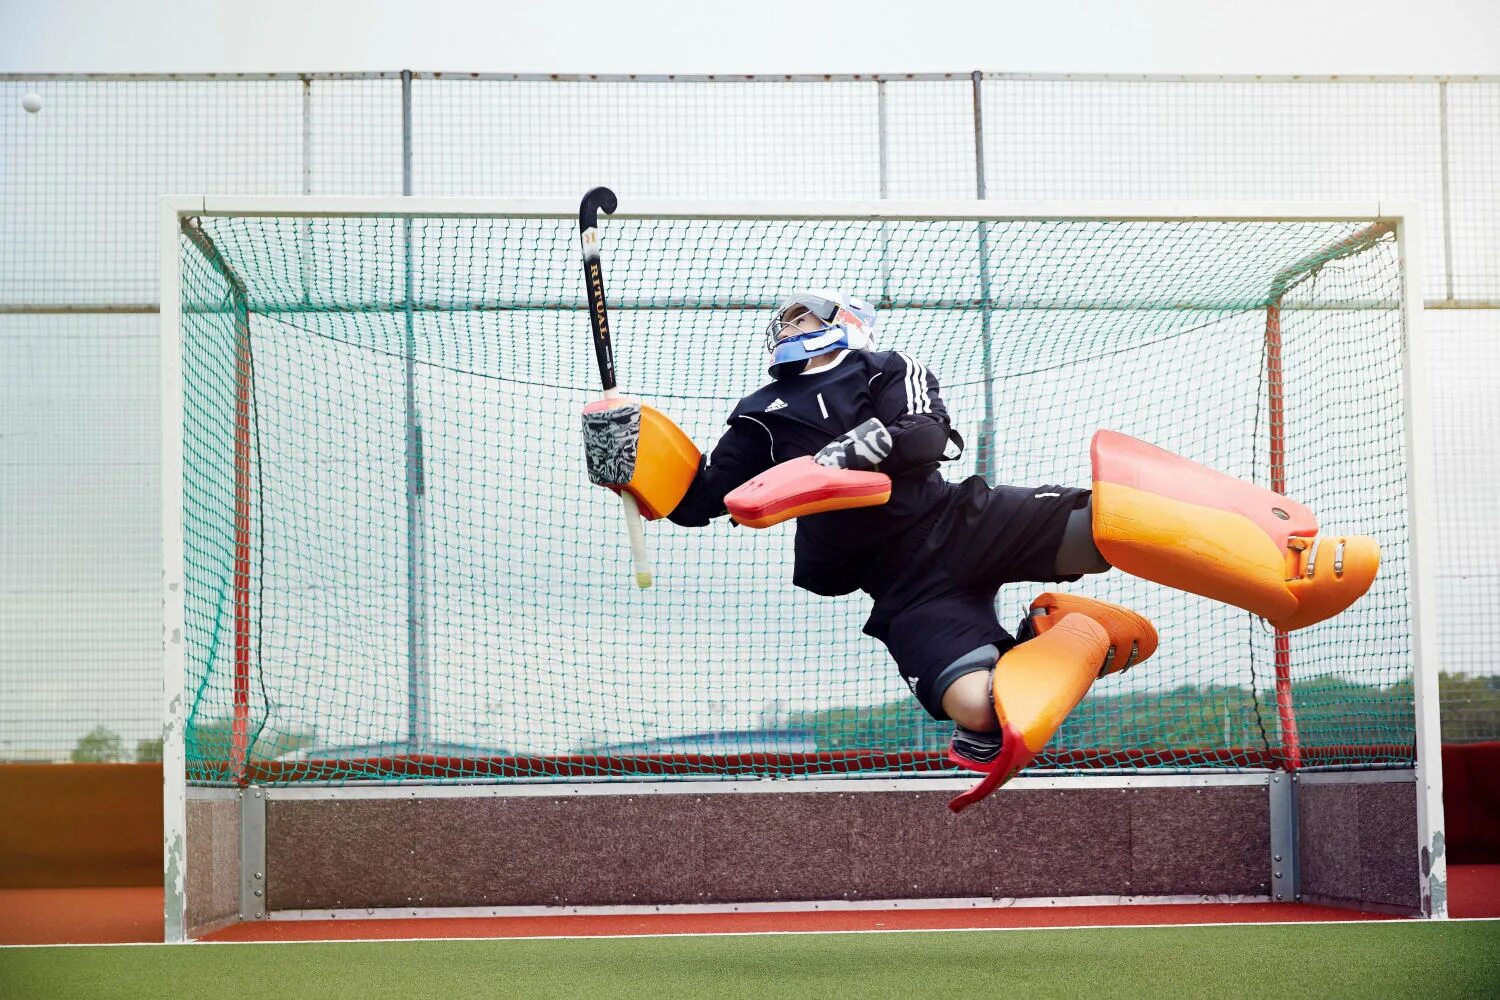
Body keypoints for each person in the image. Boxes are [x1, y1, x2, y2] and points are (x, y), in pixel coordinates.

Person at [582, 289, 1379, 804]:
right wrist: (622, 450)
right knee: (982, 712)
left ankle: (1284, 568)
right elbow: (696, 504)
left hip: (969, 520)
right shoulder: (758, 416)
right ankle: (1073, 633)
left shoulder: (888, 367)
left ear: (848, 320)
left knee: (1119, 523)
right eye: (785, 319)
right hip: (903, 588)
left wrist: (856, 449)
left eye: (810, 313)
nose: (796, 323)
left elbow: (926, 436)